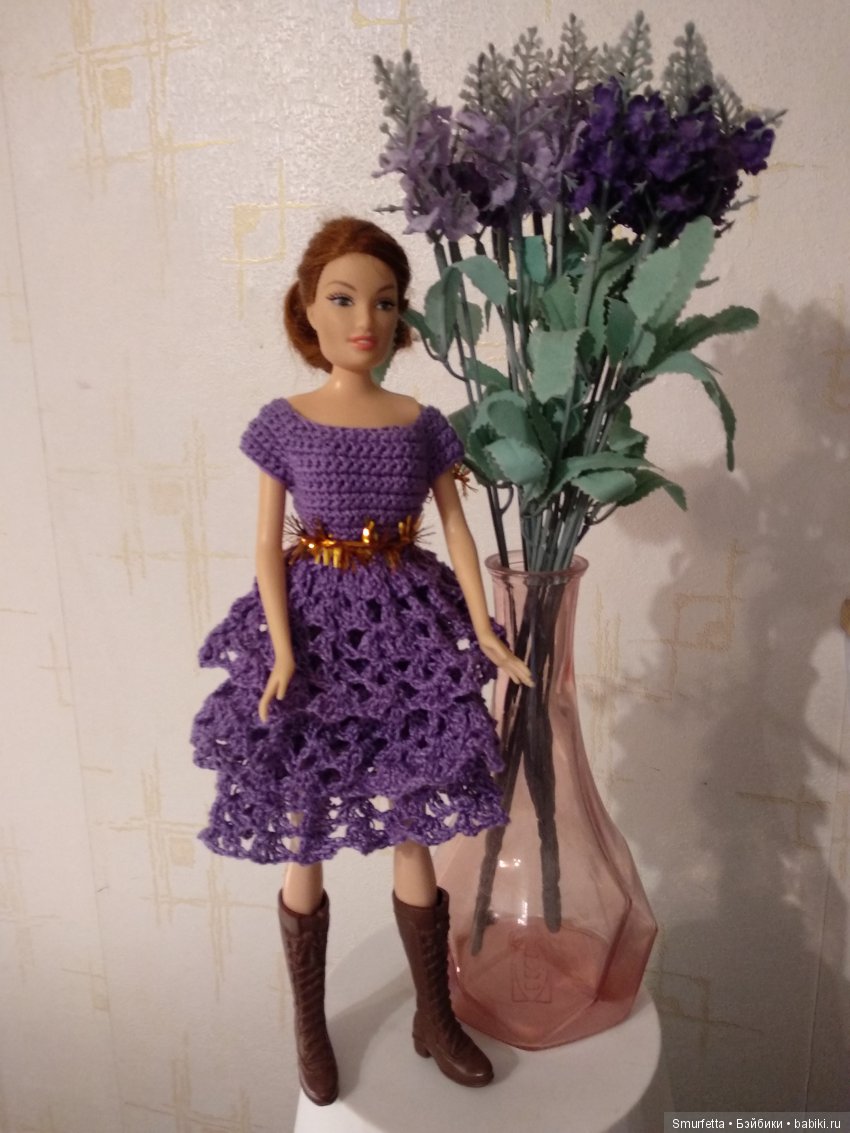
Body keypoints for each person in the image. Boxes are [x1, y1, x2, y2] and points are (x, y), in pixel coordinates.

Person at [191, 216, 532, 1106]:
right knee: (304, 826)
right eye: (342, 300)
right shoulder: (285, 423)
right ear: (307, 309)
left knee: (412, 823)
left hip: (404, 627)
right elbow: (265, 546)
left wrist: (487, 628)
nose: (364, 320)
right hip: (314, 636)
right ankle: (309, 1023)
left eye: (384, 302)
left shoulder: (421, 423)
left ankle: (433, 1015)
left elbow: (457, 529)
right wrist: (279, 648)